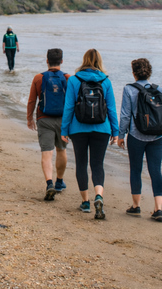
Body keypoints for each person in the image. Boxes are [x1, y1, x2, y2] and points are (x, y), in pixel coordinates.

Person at [60, 49, 119, 220]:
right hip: (102, 128)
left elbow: (69, 107)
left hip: (78, 128)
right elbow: (111, 109)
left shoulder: (73, 79)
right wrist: (115, 131)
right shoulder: (106, 81)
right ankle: (98, 195)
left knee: (81, 163)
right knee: (97, 164)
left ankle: (85, 202)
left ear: (84, 60)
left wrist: (64, 130)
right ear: (99, 61)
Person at [117, 58, 162, 222]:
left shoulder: (129, 89)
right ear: (149, 72)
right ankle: (158, 209)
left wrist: (121, 135)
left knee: (136, 169)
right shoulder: (159, 89)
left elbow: (125, 115)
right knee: (156, 171)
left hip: (137, 135)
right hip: (158, 136)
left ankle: (136, 206)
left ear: (133, 72)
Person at [26, 48, 70, 201]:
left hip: (44, 119)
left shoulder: (39, 78)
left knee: (47, 152)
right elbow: (72, 102)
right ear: (62, 61)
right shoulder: (68, 78)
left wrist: (29, 118)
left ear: (47, 60)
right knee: (61, 150)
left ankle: (49, 183)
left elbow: (32, 100)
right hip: (63, 120)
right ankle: (59, 182)